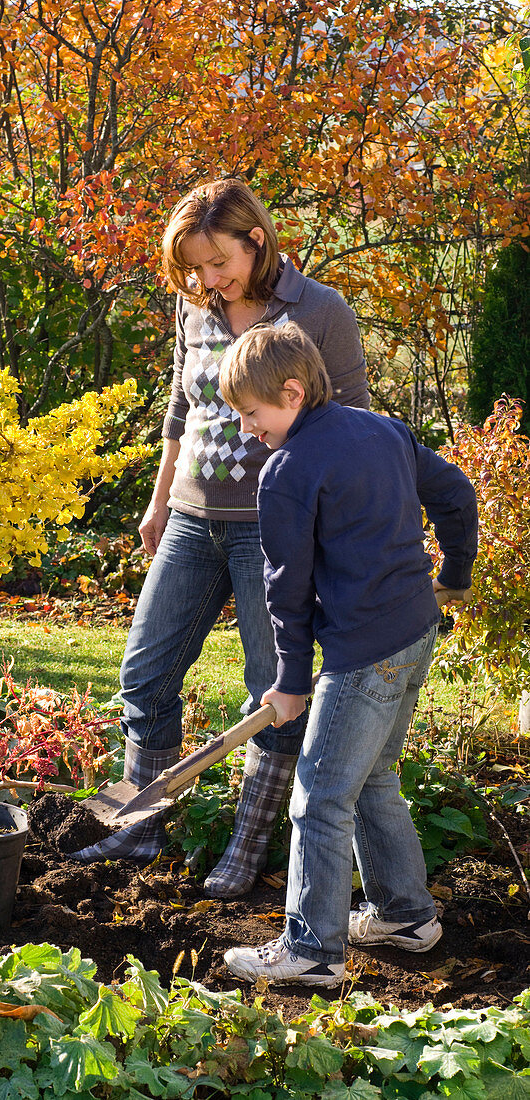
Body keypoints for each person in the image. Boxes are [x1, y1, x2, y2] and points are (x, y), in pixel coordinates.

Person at [72, 178, 370, 899]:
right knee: (145, 675)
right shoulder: (195, 306)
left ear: (255, 240)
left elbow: (352, 424)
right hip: (188, 518)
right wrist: (156, 501)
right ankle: (141, 824)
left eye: (217, 263)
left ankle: (243, 846)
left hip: (273, 530)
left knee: (272, 691)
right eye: (194, 268)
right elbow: (181, 406)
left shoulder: (319, 311)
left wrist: (333, 531)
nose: (206, 280)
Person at [216, 321, 477, 986]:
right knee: (373, 781)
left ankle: (311, 950)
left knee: (319, 797)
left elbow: (288, 594)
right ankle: (406, 915)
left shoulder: (288, 473)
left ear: (293, 392)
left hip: (364, 653)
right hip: (414, 632)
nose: (247, 429)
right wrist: (455, 574)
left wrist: (290, 681)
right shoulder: (382, 430)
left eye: (251, 414)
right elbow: (455, 494)